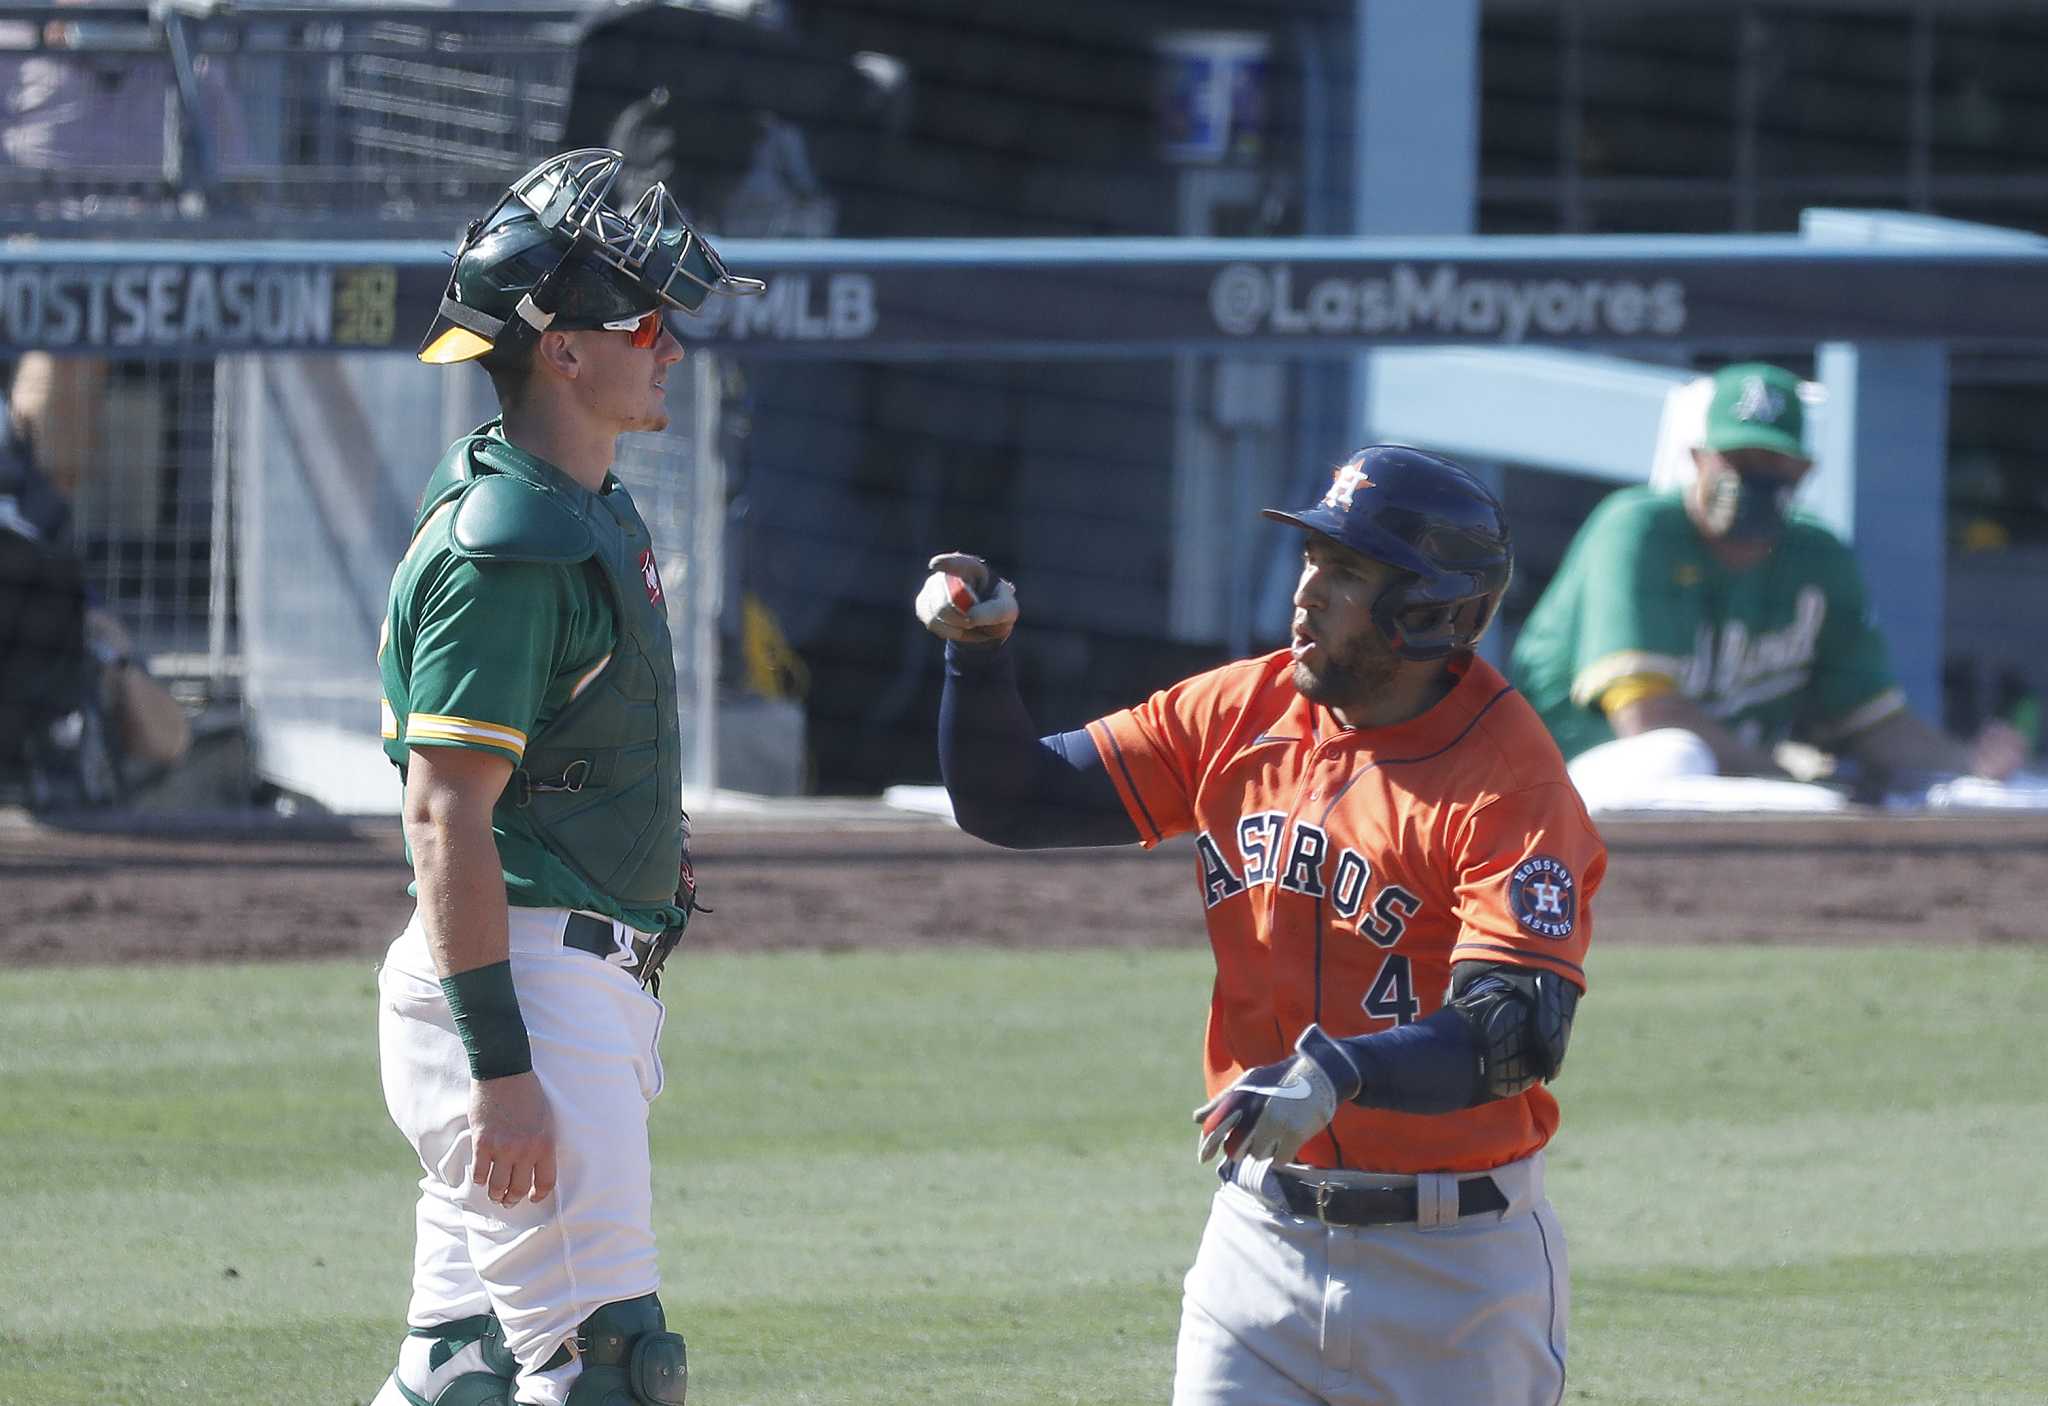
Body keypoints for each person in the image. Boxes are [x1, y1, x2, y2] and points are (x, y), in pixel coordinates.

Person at [917, 445, 1607, 1406]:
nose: (1310, 592)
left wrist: (1344, 1069)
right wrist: (979, 655)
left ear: (1433, 611)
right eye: (1313, 558)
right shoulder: (1242, 709)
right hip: (1258, 1248)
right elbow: (1014, 800)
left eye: (1350, 571)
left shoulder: (1512, 783)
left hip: (1457, 1277)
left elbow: (1516, 1030)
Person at [370, 146, 762, 1406]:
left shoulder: (577, 507)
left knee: (462, 1372)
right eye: (644, 320)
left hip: (554, 976)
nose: (672, 346)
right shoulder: (511, 544)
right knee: (610, 1367)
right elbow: (443, 815)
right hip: (523, 987)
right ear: (562, 351)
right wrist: (503, 1069)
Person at [1511, 361, 2026, 811]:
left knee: (1959, 793)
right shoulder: (1637, 530)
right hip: (1559, 786)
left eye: (1772, 464)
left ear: (1803, 473)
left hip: (1727, 796)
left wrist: (1967, 765)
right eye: (1738, 460)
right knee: (1675, 754)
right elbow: (1645, 720)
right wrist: (1784, 772)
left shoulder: (1818, 556)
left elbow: (1873, 723)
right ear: (1698, 459)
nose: (1753, 480)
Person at [0, 354, 190, 805]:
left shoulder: (49, 525)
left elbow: (169, 740)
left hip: (39, 684)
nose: (68, 413)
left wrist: (116, 660)